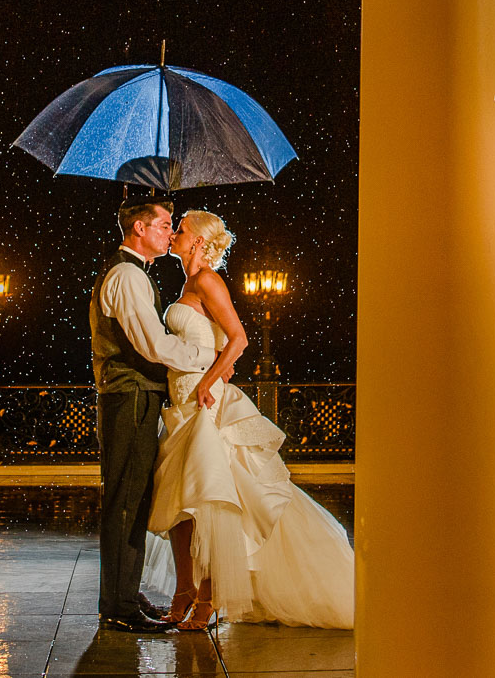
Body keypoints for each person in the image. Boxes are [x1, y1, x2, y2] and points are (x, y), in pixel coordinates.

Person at [148, 210, 355, 631]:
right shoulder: (188, 283)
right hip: (182, 402)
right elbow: (215, 341)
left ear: (199, 242)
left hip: (205, 403)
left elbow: (239, 337)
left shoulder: (207, 280)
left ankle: (208, 597)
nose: (173, 234)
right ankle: (185, 588)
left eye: (180, 229)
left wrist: (209, 380)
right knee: (180, 505)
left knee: (210, 498)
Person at [90, 189, 219, 634]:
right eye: (166, 224)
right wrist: (209, 359)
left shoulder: (135, 273)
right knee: (126, 499)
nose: (170, 232)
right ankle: (119, 606)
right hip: (129, 396)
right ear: (140, 229)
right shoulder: (127, 276)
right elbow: (152, 345)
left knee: (132, 497)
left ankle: (122, 594)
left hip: (136, 395)